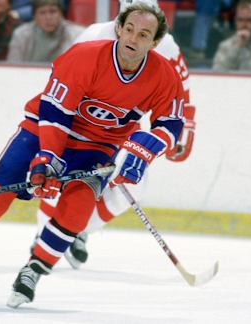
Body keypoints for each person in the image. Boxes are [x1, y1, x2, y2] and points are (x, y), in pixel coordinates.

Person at [0, 3, 185, 308]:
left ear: (154, 43)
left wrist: (141, 154)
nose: (134, 38)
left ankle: (34, 269)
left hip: (97, 146)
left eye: (144, 34)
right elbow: (55, 113)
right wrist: (47, 158)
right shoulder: (85, 56)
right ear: (118, 29)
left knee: (79, 207)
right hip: (43, 131)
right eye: (129, 29)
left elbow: (170, 123)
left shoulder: (164, 76)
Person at [34, 0, 197, 269]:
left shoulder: (164, 42)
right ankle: (43, 234)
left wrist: (186, 128)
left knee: (134, 185)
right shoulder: (96, 34)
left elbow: (181, 88)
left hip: (125, 127)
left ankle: (79, 229)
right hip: (81, 124)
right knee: (59, 177)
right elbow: (63, 78)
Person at [7, 0, 84, 63]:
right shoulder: (21, 34)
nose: (48, 17)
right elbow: (13, 66)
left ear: (61, 13)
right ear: (34, 16)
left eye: (53, 11)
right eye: (42, 13)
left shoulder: (78, 34)